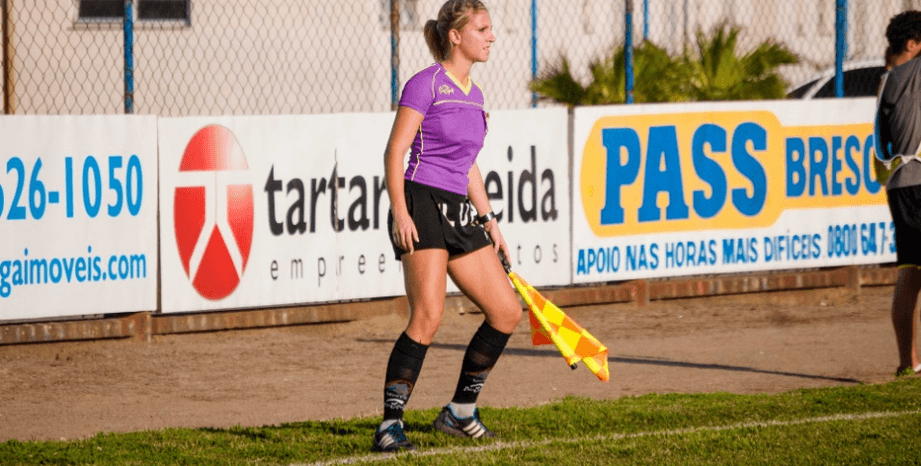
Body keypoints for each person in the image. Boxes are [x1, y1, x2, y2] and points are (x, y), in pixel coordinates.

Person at [373, 0, 523, 453]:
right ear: (455, 36)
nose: (491, 36)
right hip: (419, 201)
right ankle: (389, 426)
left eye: (491, 28)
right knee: (428, 316)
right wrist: (401, 212)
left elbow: (468, 164)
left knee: (507, 312)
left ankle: (459, 413)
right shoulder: (425, 84)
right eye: (482, 28)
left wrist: (489, 219)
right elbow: (394, 152)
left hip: (459, 208)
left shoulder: (474, 94)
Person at [875, 10, 921, 378]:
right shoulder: (914, 72)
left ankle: (909, 364)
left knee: (910, 273)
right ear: (912, 45)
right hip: (919, 183)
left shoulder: (888, 81)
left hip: (900, 185)